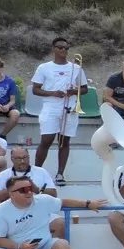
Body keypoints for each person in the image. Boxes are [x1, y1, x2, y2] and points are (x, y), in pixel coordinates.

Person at [31, 38, 88, 184]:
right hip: (51, 106)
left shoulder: (76, 68)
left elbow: (85, 89)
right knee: (47, 140)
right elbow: (35, 89)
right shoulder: (44, 67)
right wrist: (52, 93)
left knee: (64, 141)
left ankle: (60, 174)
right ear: (53, 49)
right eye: (60, 47)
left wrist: (74, 91)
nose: (63, 50)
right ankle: (36, 173)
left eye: (66, 48)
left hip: (69, 106)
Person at [0, 146, 63, 244]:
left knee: (60, 223)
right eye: (19, 158)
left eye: (25, 158)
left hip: (40, 212)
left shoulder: (41, 172)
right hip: (14, 214)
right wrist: (16, 188)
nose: (23, 161)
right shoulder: (4, 175)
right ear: (12, 159)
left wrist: (36, 189)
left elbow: (53, 194)